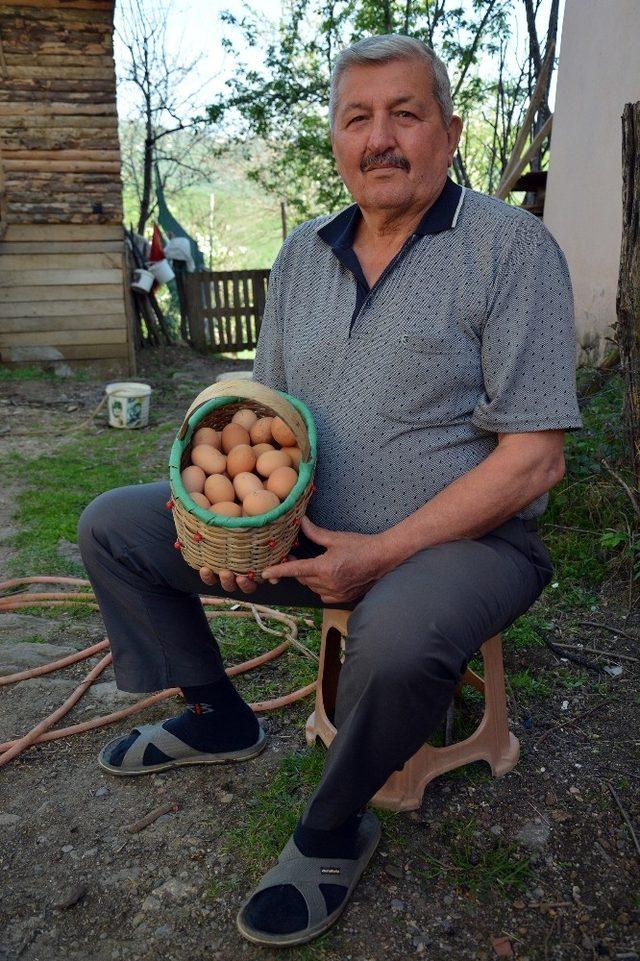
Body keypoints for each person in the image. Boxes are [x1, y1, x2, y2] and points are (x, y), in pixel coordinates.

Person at [78, 34, 582, 947]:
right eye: (359, 119)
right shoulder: (302, 254)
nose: (380, 138)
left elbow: (534, 460)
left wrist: (379, 555)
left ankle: (334, 821)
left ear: (450, 130)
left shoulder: (512, 250)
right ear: (337, 141)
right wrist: (233, 520)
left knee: (396, 632)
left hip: (466, 544)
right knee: (115, 525)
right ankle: (216, 714)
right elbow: (263, 413)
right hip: (304, 534)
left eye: (406, 113)